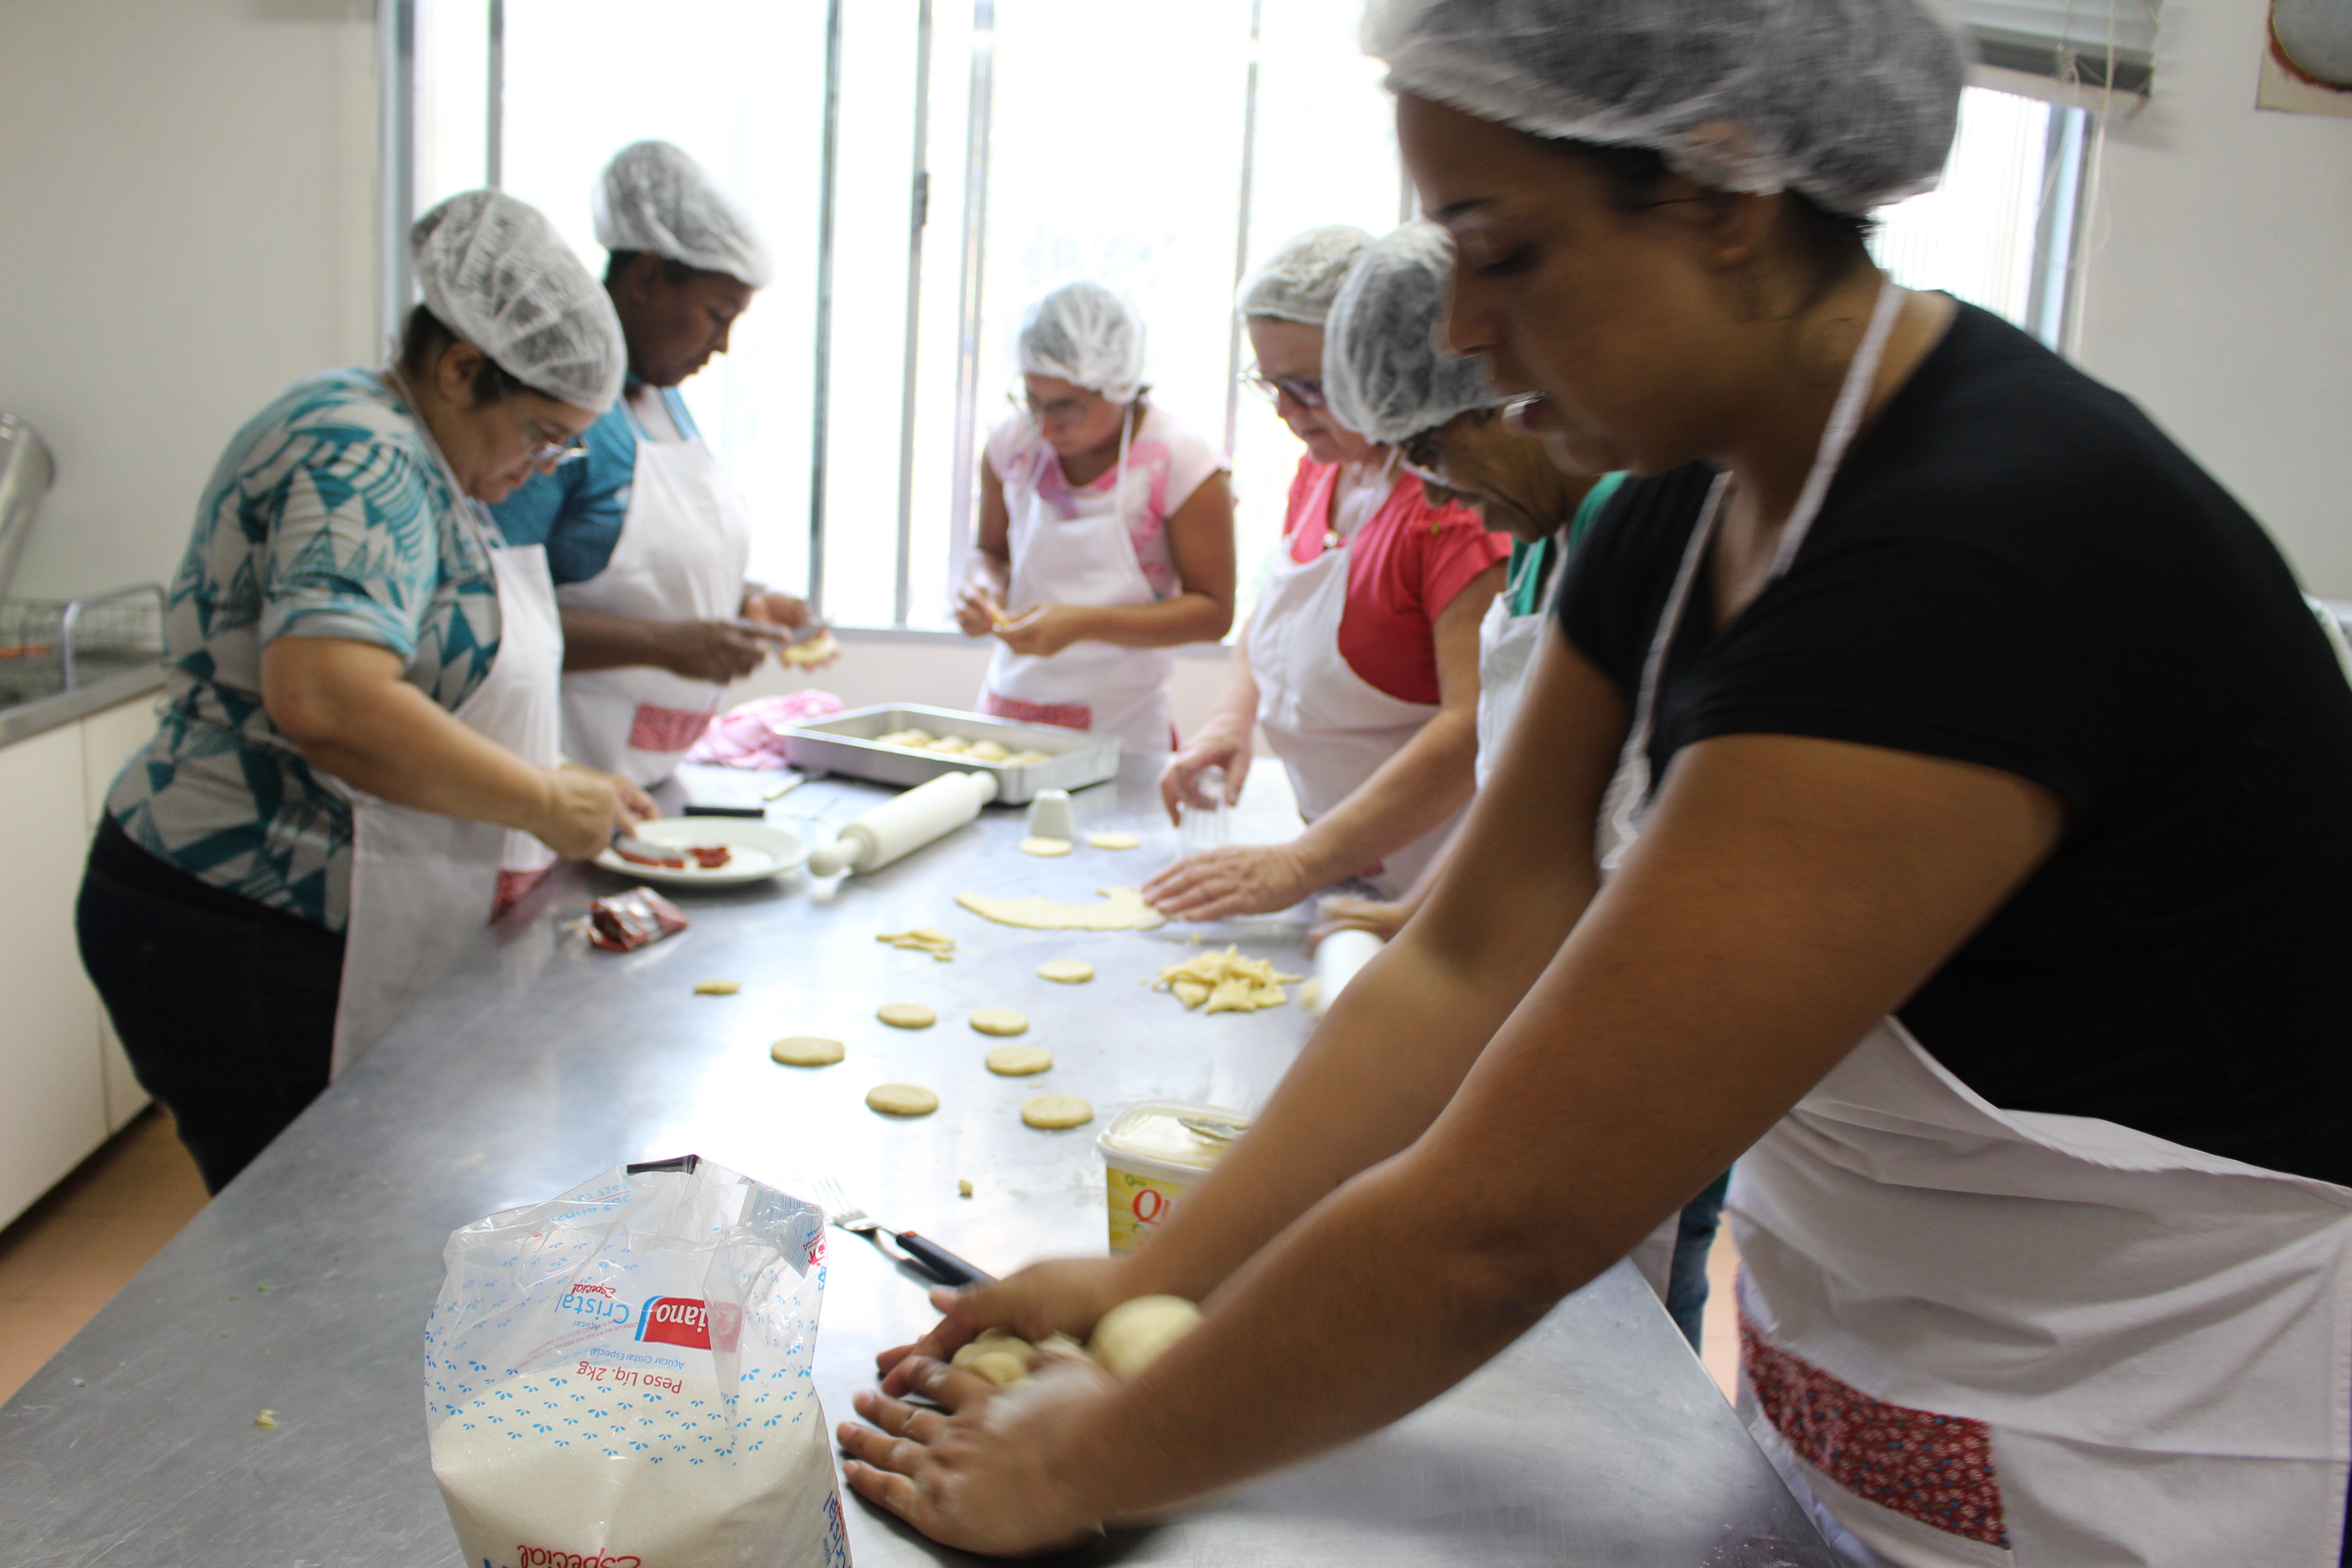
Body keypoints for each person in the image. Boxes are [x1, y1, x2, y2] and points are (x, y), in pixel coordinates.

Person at [833, 2, 2352, 1563]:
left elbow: (1506, 1220)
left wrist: (1100, 1450)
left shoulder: (1974, 555)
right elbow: (1463, 957)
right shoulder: (1675, 517)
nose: (1466, 331)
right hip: (1864, 1393)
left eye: (1501, 250)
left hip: (2148, 1437)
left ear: (1721, 194)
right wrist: (1158, 1276)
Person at [77, 191, 653, 1193]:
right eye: (543, 437)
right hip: (234, 915)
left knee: (334, 1220)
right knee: (296, 1234)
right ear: (461, 368)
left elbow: (421, 674)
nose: (540, 469)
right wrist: (544, 802)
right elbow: (331, 699)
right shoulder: (363, 452)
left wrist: (551, 774)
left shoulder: (417, 448)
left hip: (289, 908)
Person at [1299, 222, 1748, 1350]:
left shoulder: (1637, 539)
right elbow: (1529, 797)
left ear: (1505, 405)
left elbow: (1631, 851)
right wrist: (1424, 916)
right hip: (1540, 1001)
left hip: (1632, 1049)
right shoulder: (1550, 536)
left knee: (1630, 1341)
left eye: (1435, 456)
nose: (1441, 495)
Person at [1142, 226, 1508, 919]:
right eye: (1272, 385)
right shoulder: (1323, 472)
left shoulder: (1455, 506)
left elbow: (1472, 729)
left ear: (1381, 362)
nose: (1288, 411)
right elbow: (1277, 616)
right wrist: (1231, 718)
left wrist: (1301, 864)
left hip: (1442, 894)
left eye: (1311, 386)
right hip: (1348, 874)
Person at [494, 140, 822, 787]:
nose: (722, 345)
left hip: (655, 773)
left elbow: (648, 572)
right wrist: (668, 646)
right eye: (716, 315)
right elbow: (496, 613)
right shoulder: (559, 417)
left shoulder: (664, 400)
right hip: (562, 772)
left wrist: (745, 600)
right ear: (646, 278)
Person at [956, 281, 1236, 756]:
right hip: (1010, 705)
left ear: (1119, 384)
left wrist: (1082, 624)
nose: (1046, 424)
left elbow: (1213, 612)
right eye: (1033, 399)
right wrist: (982, 588)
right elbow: (991, 553)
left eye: (1067, 406)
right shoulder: (1013, 443)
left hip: (1121, 723)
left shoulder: (1181, 462)